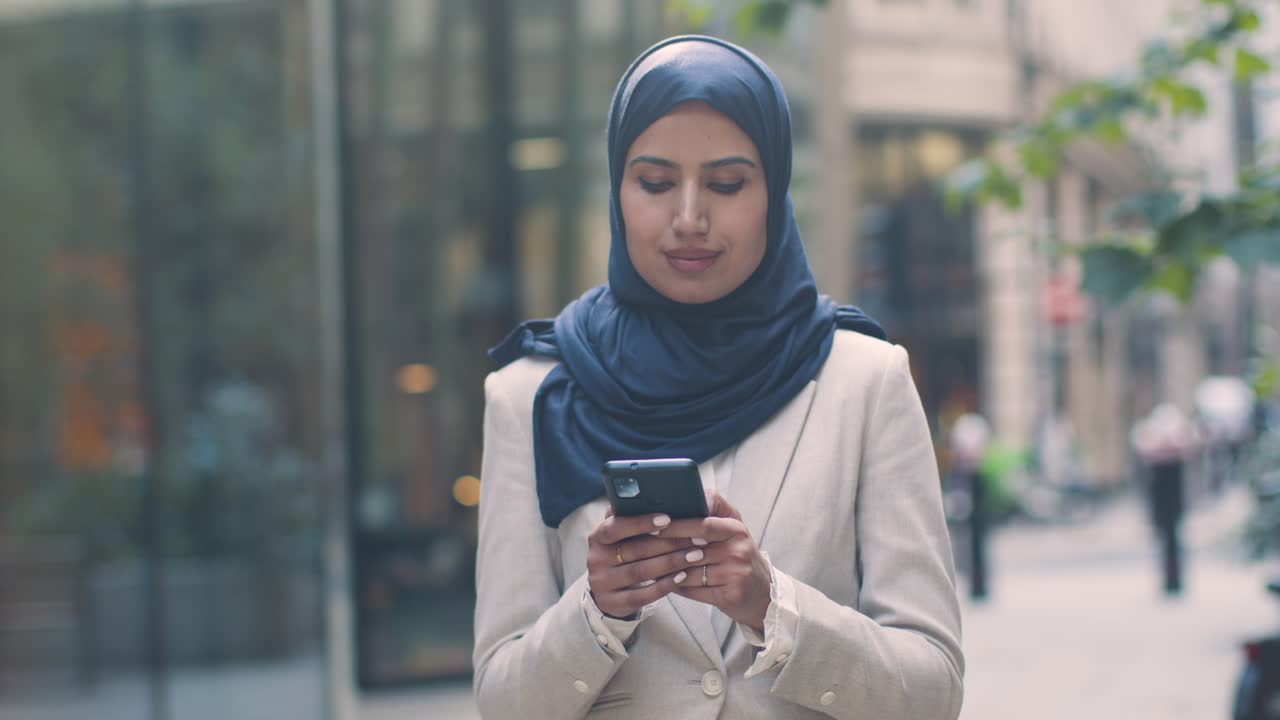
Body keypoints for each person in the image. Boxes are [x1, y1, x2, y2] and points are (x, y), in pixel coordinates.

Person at [473, 35, 963, 719]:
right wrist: (597, 611)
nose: (689, 217)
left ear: (775, 191)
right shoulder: (531, 394)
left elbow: (934, 691)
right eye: (654, 182)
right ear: (617, 191)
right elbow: (501, 702)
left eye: (728, 184)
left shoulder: (864, 379)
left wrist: (773, 607)